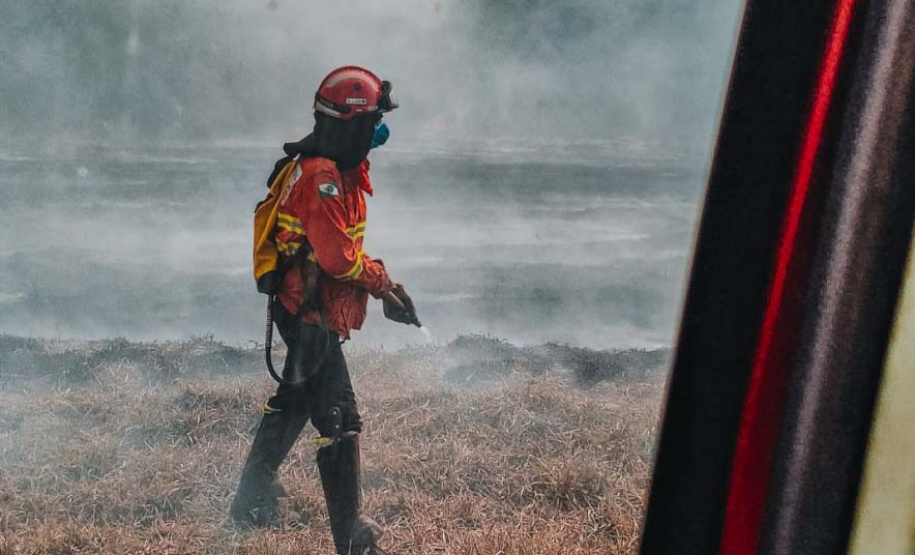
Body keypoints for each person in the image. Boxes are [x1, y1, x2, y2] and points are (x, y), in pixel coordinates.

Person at [231, 66, 420, 555]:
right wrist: (382, 284)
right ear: (350, 125)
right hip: (308, 312)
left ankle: (250, 501)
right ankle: (354, 540)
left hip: (307, 306)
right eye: (373, 123)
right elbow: (337, 258)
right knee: (339, 418)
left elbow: (340, 250)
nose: (379, 134)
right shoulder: (321, 177)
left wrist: (384, 287)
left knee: (296, 399)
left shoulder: (336, 169)